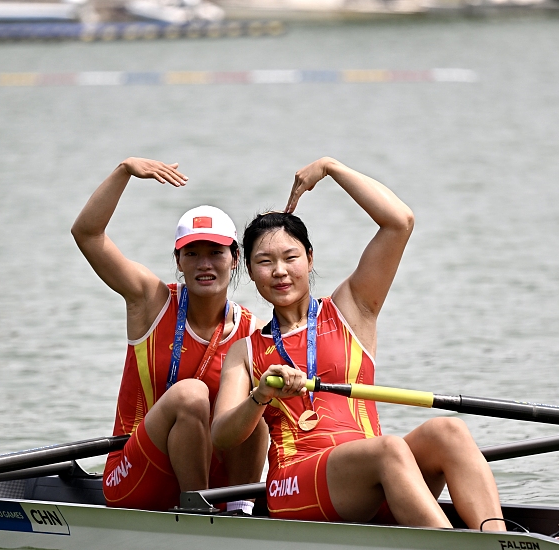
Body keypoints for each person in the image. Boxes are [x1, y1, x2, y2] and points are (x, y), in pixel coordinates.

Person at [211, 157, 505, 530]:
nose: (280, 271)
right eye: (265, 262)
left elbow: (400, 222)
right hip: (294, 483)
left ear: (310, 258)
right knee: (390, 449)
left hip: (372, 473)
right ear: (251, 274)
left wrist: (332, 168)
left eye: (290, 257)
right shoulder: (246, 350)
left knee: (449, 431)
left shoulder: (352, 309)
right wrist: (261, 395)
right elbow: (222, 434)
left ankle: (499, 542)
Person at [72, 156, 267, 513]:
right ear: (178, 262)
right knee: (191, 394)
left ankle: (240, 509)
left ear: (235, 258)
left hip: (214, 476)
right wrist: (124, 171)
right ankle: (197, 512)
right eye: (191, 253)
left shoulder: (251, 330)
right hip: (135, 474)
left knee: (258, 400)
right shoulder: (150, 300)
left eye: (215, 253)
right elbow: (86, 234)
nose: (204, 264)